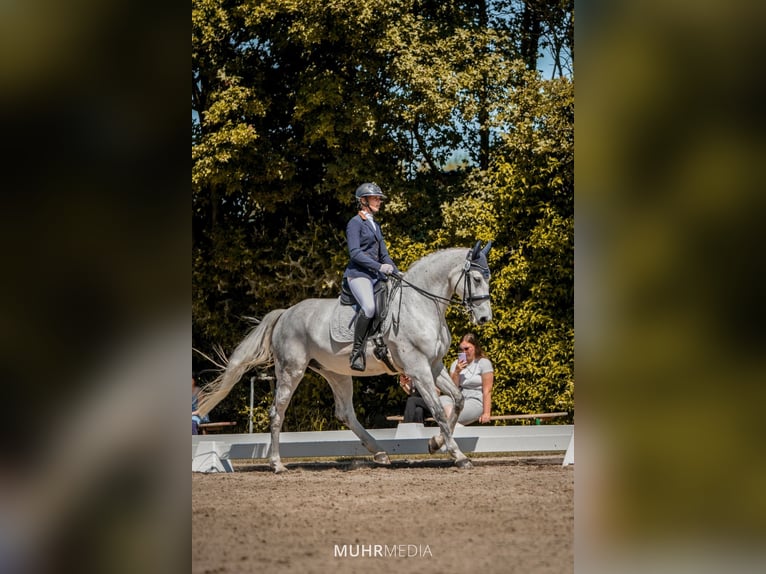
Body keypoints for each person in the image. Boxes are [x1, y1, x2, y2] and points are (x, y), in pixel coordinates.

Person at [343, 182, 399, 371]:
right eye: (375, 198)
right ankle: (357, 352)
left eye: (379, 198)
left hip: (376, 274)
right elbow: (355, 254)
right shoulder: (355, 223)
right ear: (363, 201)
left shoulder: (375, 225)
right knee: (368, 307)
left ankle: (381, 343)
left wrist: (397, 272)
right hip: (358, 274)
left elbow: (384, 255)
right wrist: (379, 267)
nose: (379, 201)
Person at [439, 333, 494, 425]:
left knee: (449, 414)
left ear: (475, 347)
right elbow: (452, 389)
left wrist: (486, 413)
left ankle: (452, 429)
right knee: (441, 399)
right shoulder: (455, 364)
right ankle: (456, 429)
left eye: (467, 349)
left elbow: (487, 390)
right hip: (459, 399)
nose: (463, 352)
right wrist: (456, 372)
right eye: (461, 349)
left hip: (475, 401)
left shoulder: (483, 363)